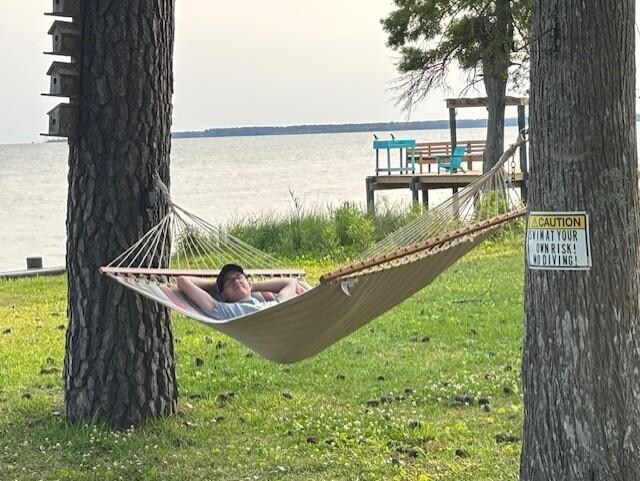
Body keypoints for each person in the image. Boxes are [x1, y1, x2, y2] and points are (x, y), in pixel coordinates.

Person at [177, 263, 301, 320]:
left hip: (282, 321)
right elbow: (182, 281)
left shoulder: (274, 304)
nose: (236, 281)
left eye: (239, 277)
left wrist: (251, 286)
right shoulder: (223, 310)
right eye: (229, 281)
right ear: (224, 294)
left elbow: (291, 283)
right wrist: (214, 285)